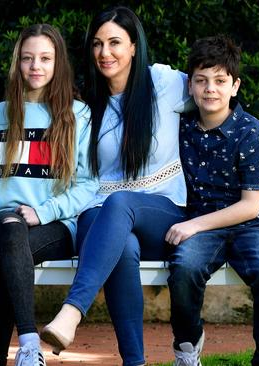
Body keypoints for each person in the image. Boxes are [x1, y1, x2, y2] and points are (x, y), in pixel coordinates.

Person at [41, 6, 192, 366]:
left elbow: (215, 92)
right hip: (99, 213)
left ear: (134, 46)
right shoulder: (86, 104)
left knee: (121, 203)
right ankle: (134, 362)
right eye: (97, 44)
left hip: (162, 212)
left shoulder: (167, 84)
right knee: (120, 245)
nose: (104, 53)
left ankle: (71, 313)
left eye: (114, 43)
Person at [164, 35, 259, 366]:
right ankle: (187, 346)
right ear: (190, 85)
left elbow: (251, 205)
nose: (210, 89)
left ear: (235, 86)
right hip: (204, 224)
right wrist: (196, 225)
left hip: (251, 223)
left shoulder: (252, 133)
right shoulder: (181, 128)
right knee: (184, 268)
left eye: (220, 81)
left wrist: (193, 224)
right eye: (202, 81)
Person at [0, 24, 97, 366]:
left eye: (45, 59)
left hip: (57, 224)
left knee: (8, 257)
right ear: (17, 63)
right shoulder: (0, 113)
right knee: (11, 235)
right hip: (4, 219)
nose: (36, 66)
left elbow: (89, 184)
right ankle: (29, 344)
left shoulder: (78, 114)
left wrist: (45, 211)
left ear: (58, 63)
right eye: (28, 58)